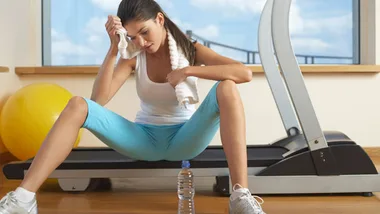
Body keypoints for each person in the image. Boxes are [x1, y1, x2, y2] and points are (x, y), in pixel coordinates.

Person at [0, 0, 266, 213]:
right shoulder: (133, 56)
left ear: (160, 19)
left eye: (144, 32)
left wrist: (187, 71)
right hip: (143, 139)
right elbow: (98, 102)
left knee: (227, 86)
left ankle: (240, 195)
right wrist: (115, 49)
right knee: (77, 104)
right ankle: (24, 199)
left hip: (186, 137)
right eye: (132, 36)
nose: (140, 42)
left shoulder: (190, 49)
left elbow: (243, 73)